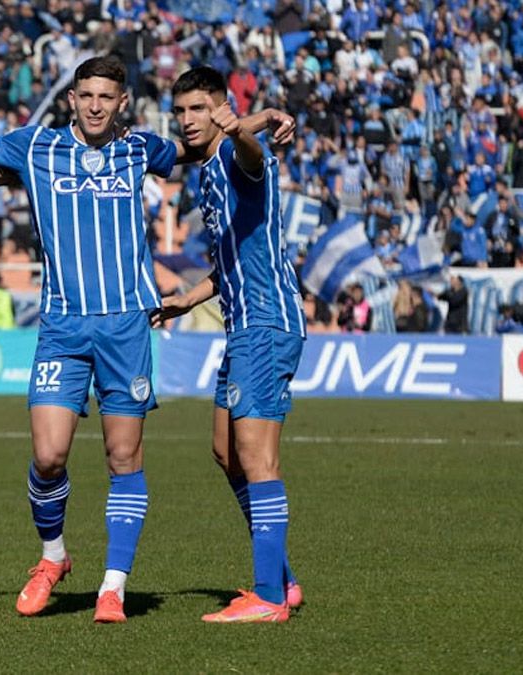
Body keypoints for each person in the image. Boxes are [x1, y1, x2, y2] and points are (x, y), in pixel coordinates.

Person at [0, 55, 293, 623]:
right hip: (62, 327)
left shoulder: (142, 149)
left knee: (125, 456)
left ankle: (113, 588)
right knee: (48, 456)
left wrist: (255, 121)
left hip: (126, 328)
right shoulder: (35, 146)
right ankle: (54, 557)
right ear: (72, 98)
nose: (94, 105)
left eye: (105, 97)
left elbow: (206, 145)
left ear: (122, 105)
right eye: (85, 95)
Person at [154, 66, 305, 623]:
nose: (188, 121)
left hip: (266, 322)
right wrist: (188, 299)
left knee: (257, 459)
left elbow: (256, 158)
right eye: (182, 112)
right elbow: (229, 262)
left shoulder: (238, 158)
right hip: (242, 324)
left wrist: (245, 127)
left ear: (220, 107)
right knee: (226, 452)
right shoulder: (205, 174)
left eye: (199, 109)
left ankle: (267, 598)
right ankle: (282, 581)